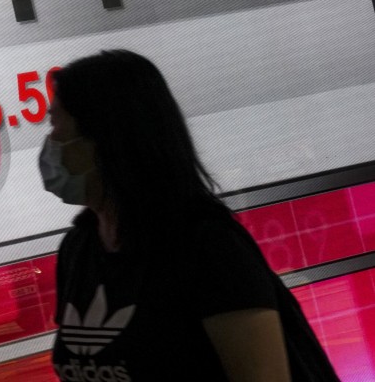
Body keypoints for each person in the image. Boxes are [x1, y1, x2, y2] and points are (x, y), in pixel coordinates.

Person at [41, 50, 339, 382]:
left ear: (105, 135)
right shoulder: (79, 249)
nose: (50, 142)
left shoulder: (206, 247)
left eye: (55, 123)